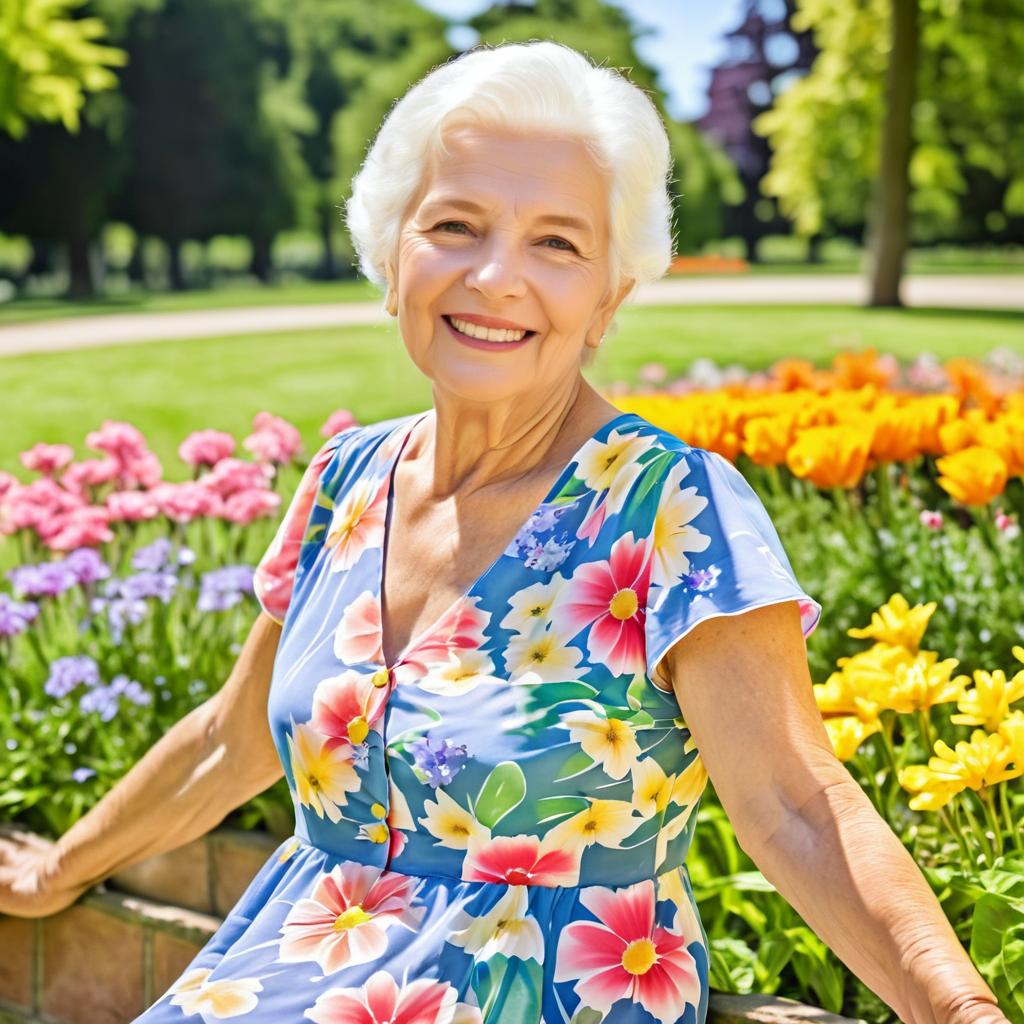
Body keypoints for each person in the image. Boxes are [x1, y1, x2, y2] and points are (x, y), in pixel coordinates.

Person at [0, 39, 1007, 1024]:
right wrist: (57, 868)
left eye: (556, 243)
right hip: (299, 966)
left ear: (607, 299)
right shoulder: (345, 481)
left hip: (538, 988)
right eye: (455, 225)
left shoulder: (668, 506)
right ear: (391, 254)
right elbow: (228, 739)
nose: (493, 276)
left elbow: (795, 808)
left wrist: (956, 1007)